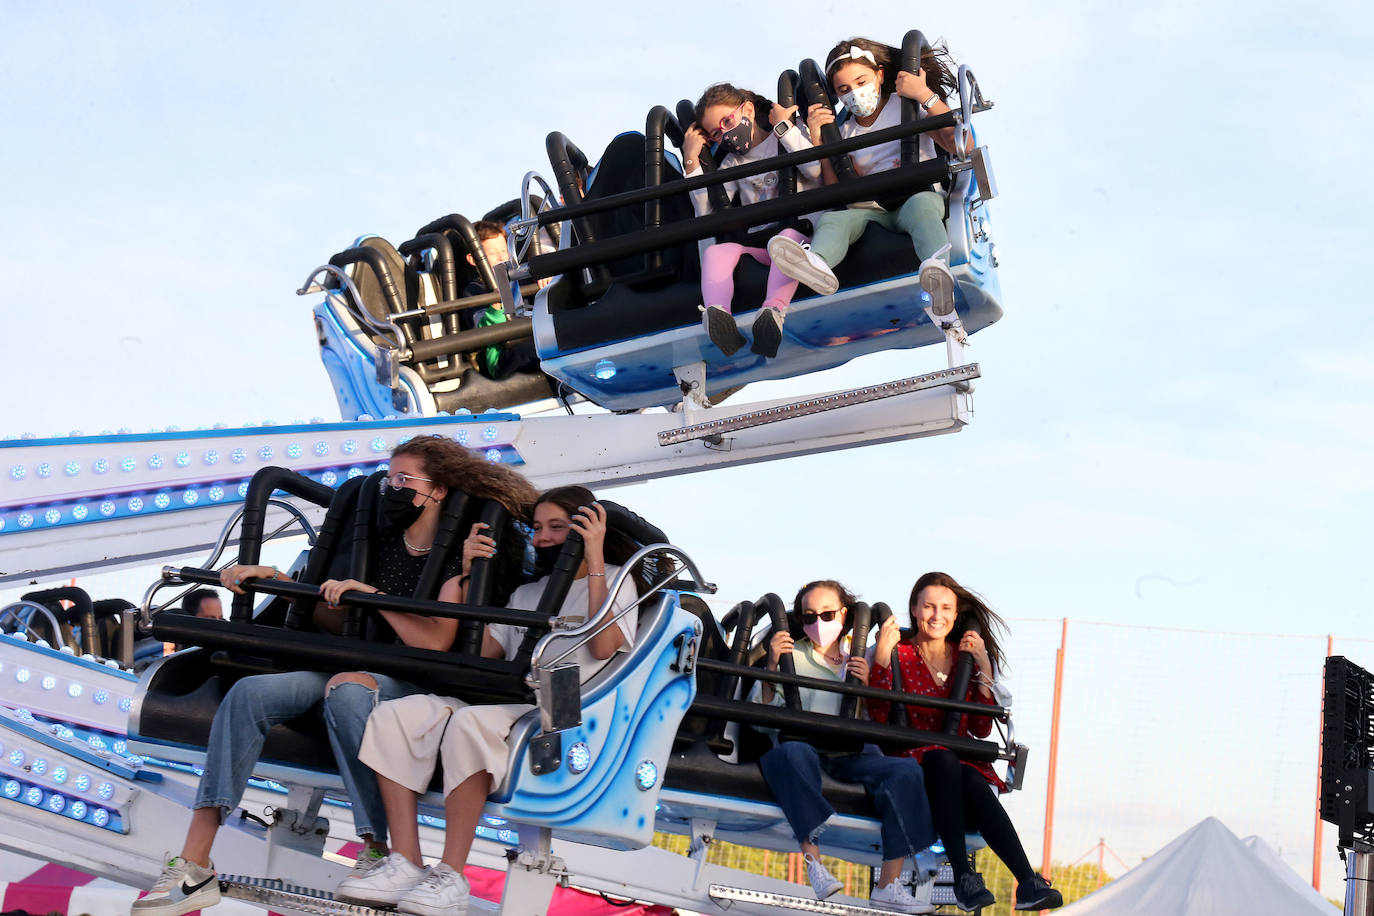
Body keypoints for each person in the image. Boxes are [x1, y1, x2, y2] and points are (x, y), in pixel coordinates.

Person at [132, 436, 538, 916]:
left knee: (347, 692)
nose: (393, 488)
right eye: (390, 478)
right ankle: (195, 862)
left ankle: (374, 848)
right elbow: (333, 621)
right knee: (249, 693)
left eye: (405, 480)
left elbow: (433, 644)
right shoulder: (376, 542)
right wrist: (285, 586)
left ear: (439, 490)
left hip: (413, 682)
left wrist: (371, 597)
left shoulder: (459, 555)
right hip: (346, 666)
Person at [335, 485, 643, 916]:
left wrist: (593, 560)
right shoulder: (526, 596)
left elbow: (605, 647)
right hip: (514, 698)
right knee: (396, 715)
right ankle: (404, 860)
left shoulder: (614, 579)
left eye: (558, 527)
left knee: (470, 724)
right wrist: (465, 575)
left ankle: (452, 874)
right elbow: (480, 656)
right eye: (537, 528)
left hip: (572, 704)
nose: (544, 538)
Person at [869, 572, 1062, 912]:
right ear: (914, 608)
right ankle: (962, 875)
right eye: (928, 606)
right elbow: (880, 714)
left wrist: (985, 667)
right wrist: (883, 660)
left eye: (945, 608)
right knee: (944, 761)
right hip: (911, 754)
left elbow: (981, 727)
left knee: (971, 780)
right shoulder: (897, 652)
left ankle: (1027, 882)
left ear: (956, 615)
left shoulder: (965, 658)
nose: (936, 615)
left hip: (958, 760)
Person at [753, 580, 937, 913]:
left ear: (843, 614)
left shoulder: (858, 658)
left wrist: (868, 685)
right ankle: (815, 864)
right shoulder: (790, 655)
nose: (818, 625)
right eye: (809, 618)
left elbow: (877, 725)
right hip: (802, 749)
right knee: (791, 754)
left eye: (826, 615)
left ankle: (889, 884)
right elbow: (760, 721)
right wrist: (770, 670)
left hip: (847, 754)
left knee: (906, 770)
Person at [768, 37, 965, 298]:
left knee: (920, 208)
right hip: (874, 210)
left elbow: (962, 144)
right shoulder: (845, 131)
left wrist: (924, 95)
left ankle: (939, 272)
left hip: (918, 197)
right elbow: (834, 188)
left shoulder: (906, 104)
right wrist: (819, 141)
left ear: (880, 75)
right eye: (844, 89)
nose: (855, 93)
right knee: (833, 218)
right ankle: (818, 262)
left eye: (861, 82)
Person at [681, 83, 823, 359]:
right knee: (716, 251)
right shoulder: (733, 164)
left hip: (802, 239)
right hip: (761, 244)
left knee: (786, 241)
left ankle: (773, 311)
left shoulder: (788, 136)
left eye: (727, 121)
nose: (725, 134)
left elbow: (815, 170)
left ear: (747, 109)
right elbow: (705, 207)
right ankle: (717, 314)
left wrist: (784, 127)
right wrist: (690, 159)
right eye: (715, 133)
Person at [459, 220, 542, 381]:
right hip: (502, 354)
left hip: (534, 335)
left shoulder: (519, 278)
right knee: (532, 349)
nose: (501, 257)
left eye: (504, 251)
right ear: (473, 259)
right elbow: (482, 326)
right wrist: (495, 305)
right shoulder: (474, 290)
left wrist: (545, 281)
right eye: (493, 254)